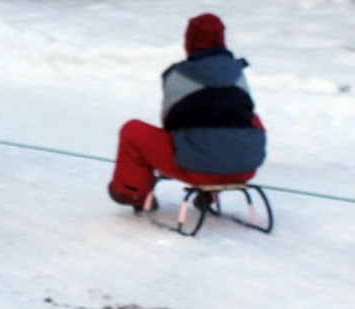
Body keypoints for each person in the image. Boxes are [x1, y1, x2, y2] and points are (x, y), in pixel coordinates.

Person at [108, 13, 267, 213]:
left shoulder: (178, 74)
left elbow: (170, 123)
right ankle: (210, 193)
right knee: (246, 121)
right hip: (245, 169)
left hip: (197, 169)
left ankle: (132, 193)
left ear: (189, 41)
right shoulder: (238, 73)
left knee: (133, 131)